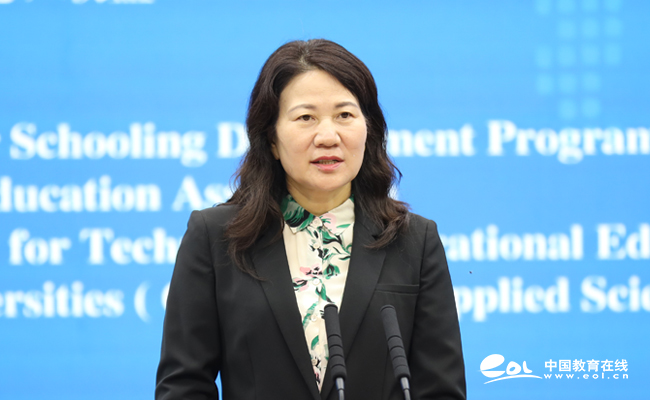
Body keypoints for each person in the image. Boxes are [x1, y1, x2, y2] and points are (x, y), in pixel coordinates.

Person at [155, 39, 466, 400]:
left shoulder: (414, 241)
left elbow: (441, 389)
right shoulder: (215, 238)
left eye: (345, 115)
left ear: (369, 130)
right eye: (306, 118)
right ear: (271, 138)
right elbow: (184, 386)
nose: (328, 137)